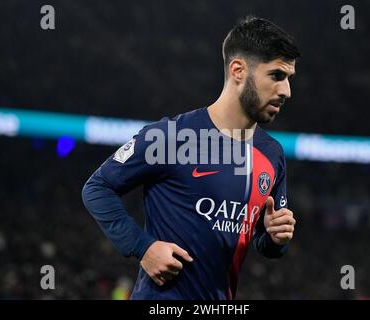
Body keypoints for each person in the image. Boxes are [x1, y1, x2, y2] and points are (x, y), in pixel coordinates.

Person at [82, 15, 299, 300]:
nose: (286, 91)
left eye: (289, 79)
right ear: (238, 70)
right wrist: (142, 247)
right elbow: (97, 188)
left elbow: (265, 243)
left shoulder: (272, 154)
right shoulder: (171, 137)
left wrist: (274, 237)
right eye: (276, 76)